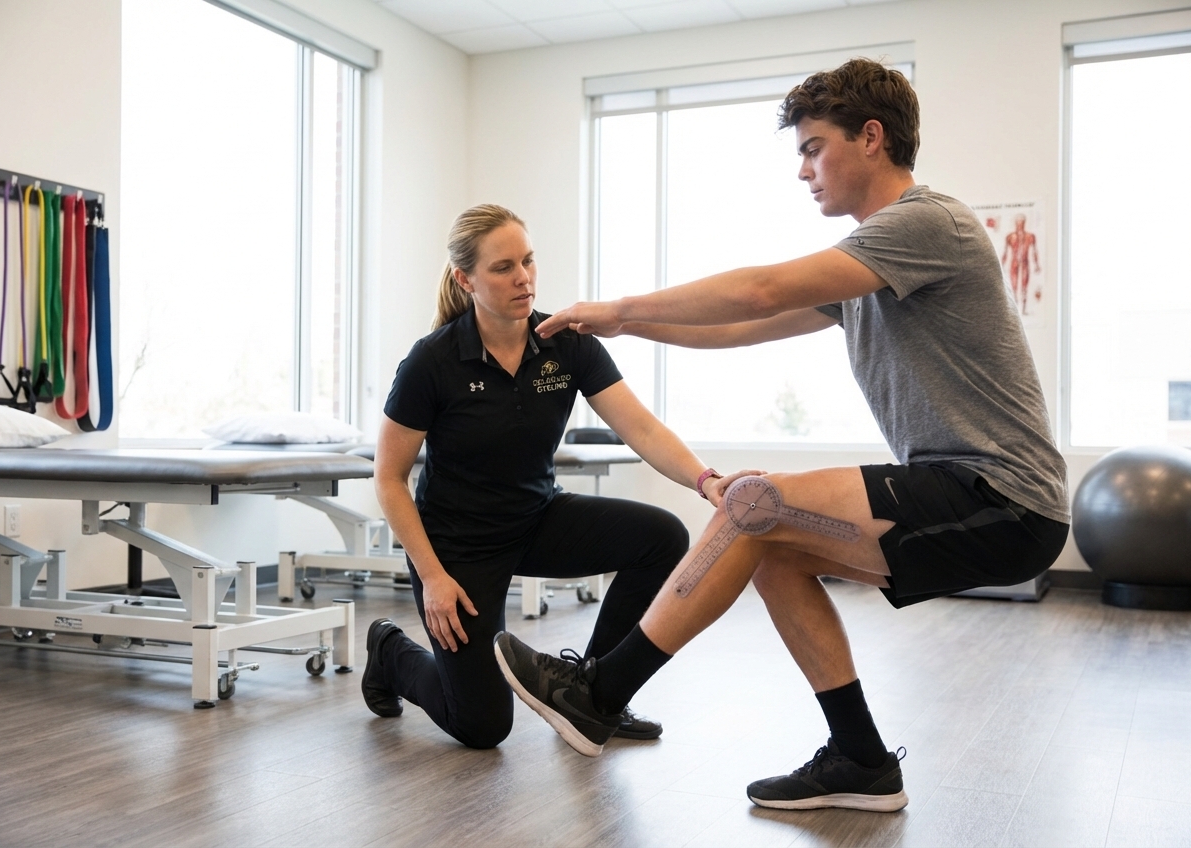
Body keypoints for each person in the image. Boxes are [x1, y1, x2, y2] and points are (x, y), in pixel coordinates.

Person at [493, 59, 1070, 811]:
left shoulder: (930, 225)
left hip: (1003, 494)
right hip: (971, 495)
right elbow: (745, 324)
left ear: (871, 137)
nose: (803, 170)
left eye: (812, 147)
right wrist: (615, 333)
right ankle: (862, 761)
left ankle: (599, 691)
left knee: (752, 506)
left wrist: (623, 308)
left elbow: (761, 288)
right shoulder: (867, 271)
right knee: (772, 553)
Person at [364, 203, 723, 750]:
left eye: (528, 261)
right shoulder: (432, 362)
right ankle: (390, 651)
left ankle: (596, 692)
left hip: (536, 519)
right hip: (458, 548)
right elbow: (389, 478)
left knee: (662, 536)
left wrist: (707, 482)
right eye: (503, 267)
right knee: (483, 727)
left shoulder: (567, 342)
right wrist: (433, 576)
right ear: (466, 280)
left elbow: (643, 430)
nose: (523, 277)